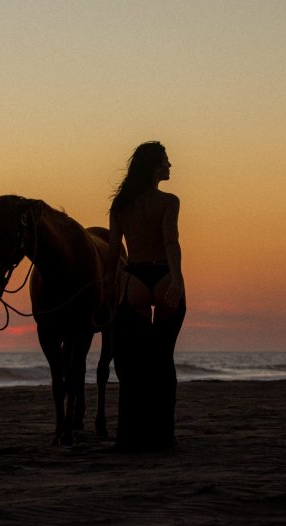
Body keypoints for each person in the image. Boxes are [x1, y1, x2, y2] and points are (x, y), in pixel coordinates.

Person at [106, 141, 186, 450]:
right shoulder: (169, 201)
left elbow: (114, 251)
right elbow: (171, 241)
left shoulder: (121, 204)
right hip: (164, 275)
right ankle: (164, 436)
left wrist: (107, 287)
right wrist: (177, 280)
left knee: (131, 365)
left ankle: (129, 437)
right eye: (165, 162)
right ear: (152, 167)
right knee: (163, 360)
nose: (169, 167)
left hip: (135, 277)